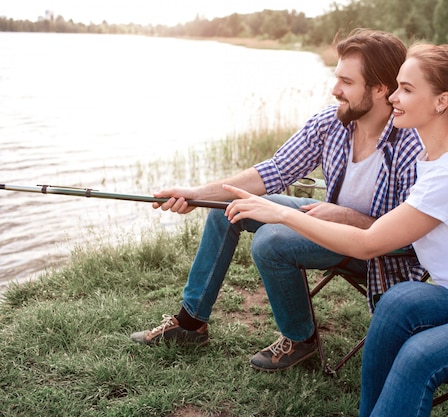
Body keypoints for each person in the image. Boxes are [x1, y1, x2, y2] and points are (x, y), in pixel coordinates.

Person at [223, 42, 448, 416]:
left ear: (442, 101)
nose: (394, 97)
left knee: (419, 355)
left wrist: (282, 214)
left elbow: (367, 244)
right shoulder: (433, 156)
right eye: (397, 86)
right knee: (398, 302)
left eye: (407, 90)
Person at [130, 28, 426, 373]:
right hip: (325, 222)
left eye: (347, 81)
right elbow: (272, 171)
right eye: (337, 78)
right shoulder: (332, 123)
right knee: (233, 206)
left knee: (272, 241)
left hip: (379, 252)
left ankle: (300, 340)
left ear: (379, 89)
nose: (335, 90)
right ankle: (191, 323)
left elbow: (410, 236)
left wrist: (343, 216)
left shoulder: (411, 145)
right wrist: (196, 194)